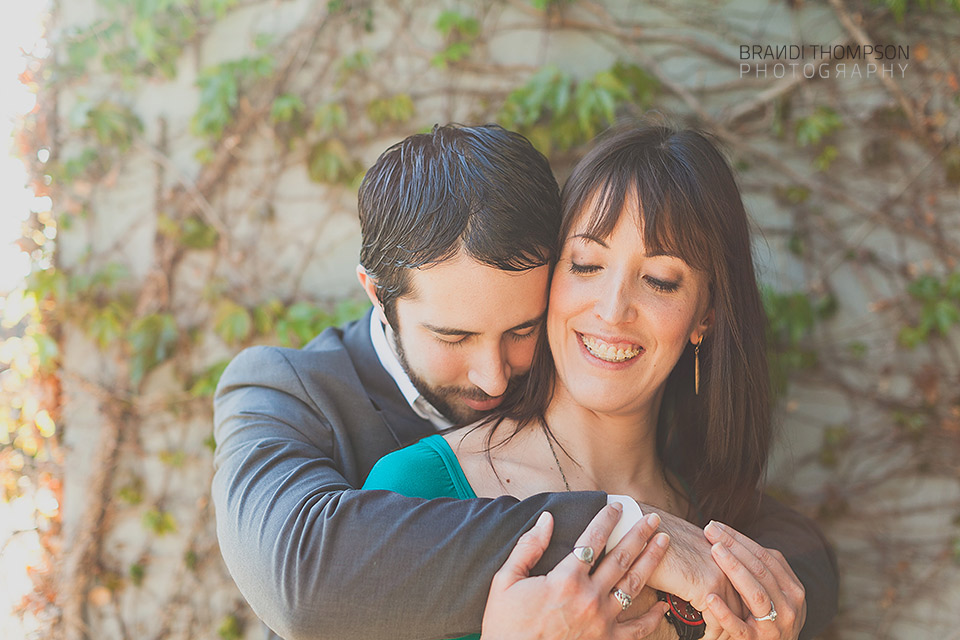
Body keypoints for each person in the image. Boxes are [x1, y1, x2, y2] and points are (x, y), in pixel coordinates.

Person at [212, 124, 838, 640]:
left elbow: (782, 540)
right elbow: (301, 576)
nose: (494, 376)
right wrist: (624, 529)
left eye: (522, 329)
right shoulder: (298, 399)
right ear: (378, 295)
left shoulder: (695, 491)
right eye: (453, 337)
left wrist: (768, 594)